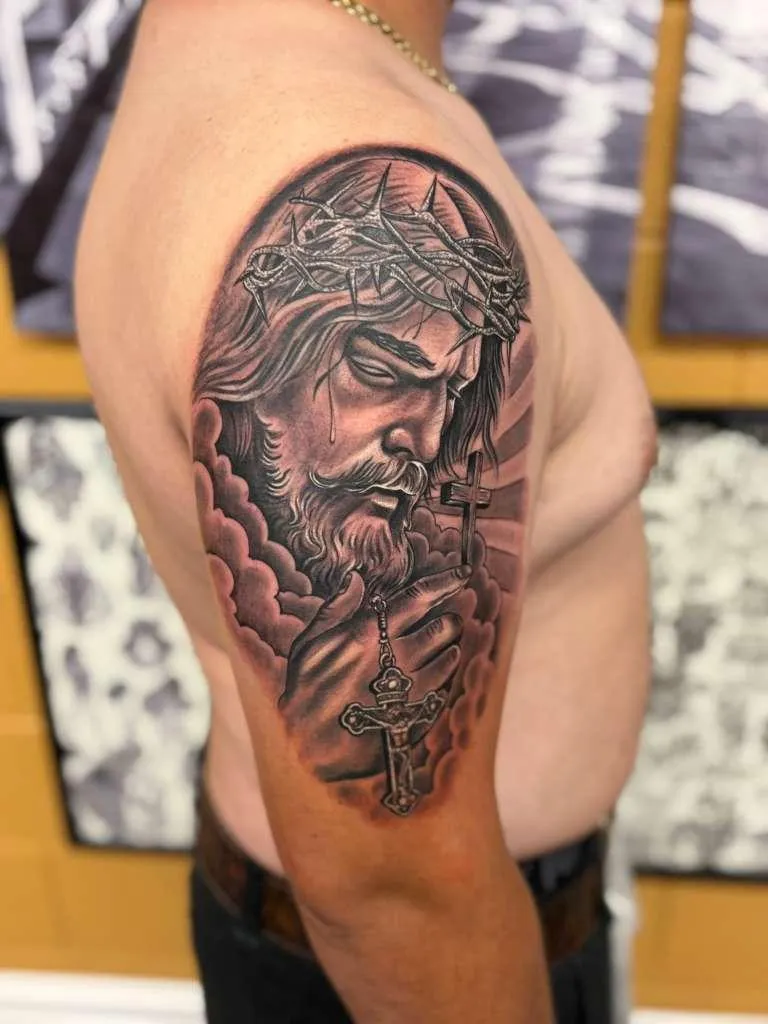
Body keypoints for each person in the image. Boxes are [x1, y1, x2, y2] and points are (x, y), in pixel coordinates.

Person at [75, 1, 656, 1021]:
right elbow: (395, 885)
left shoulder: (223, 43)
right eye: (383, 371)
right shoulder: (334, 138)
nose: (425, 437)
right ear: (272, 352)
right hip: (416, 971)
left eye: (452, 393)